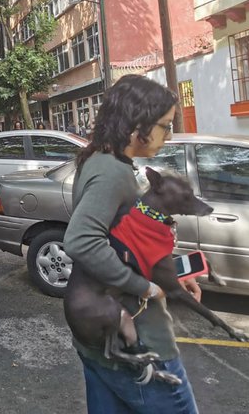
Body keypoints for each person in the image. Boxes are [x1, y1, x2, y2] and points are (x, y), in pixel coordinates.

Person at [63, 74, 201, 413]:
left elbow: (119, 243)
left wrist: (170, 275)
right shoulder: (111, 171)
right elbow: (81, 241)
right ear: (138, 123)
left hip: (100, 339)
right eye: (165, 126)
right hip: (139, 341)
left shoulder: (100, 160)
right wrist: (144, 287)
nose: (168, 135)